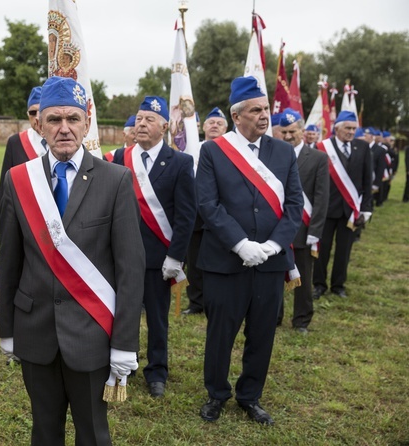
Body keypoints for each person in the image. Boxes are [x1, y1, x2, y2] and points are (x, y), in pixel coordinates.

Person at [0, 76, 145, 445]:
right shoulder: (18, 180)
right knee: (44, 430)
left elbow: (130, 267)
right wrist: (8, 329)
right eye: (54, 119)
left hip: (92, 332)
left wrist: (125, 342)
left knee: (93, 432)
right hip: (35, 331)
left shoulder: (115, 180)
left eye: (73, 119)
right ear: (40, 124)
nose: (64, 129)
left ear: (87, 121)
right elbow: (9, 262)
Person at [197, 76, 303, 425]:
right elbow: (208, 204)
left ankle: (250, 396)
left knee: (262, 334)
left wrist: (273, 245)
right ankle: (216, 394)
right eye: (256, 110)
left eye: (266, 109)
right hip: (226, 262)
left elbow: (293, 204)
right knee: (220, 334)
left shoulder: (283, 151)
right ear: (237, 115)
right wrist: (240, 244)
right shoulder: (213, 151)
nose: (264, 116)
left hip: (270, 265)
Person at [112, 96, 196, 398]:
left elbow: (187, 215)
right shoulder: (121, 157)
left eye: (149, 119)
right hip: (123, 254)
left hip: (159, 258)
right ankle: (126, 362)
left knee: (158, 318)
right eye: (138, 118)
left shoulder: (180, 162)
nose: (142, 124)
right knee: (125, 314)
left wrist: (176, 256)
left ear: (164, 127)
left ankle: (157, 370)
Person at [278, 109, 329, 332]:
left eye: (293, 131)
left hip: (304, 228)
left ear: (302, 131)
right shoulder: (274, 154)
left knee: (304, 277)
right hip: (277, 228)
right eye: (285, 132)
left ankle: (301, 320)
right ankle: (273, 316)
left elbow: (321, 197)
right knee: (274, 277)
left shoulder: (317, 158)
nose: (289, 136)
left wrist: (315, 230)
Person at [312, 111, 372, 299]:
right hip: (327, 209)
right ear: (337, 128)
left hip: (350, 211)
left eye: (354, 128)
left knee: (344, 250)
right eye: (348, 128)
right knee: (322, 249)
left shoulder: (362, 147)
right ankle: (319, 284)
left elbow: (367, 180)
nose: (351, 132)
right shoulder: (322, 147)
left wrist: (367, 208)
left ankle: (338, 285)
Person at [183, 106, 227, 316]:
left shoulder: (232, 150)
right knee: (194, 261)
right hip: (195, 215)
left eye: (219, 123)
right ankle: (196, 302)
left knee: (218, 261)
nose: (215, 125)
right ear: (204, 127)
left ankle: (217, 301)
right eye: (211, 122)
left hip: (222, 215)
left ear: (226, 128)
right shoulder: (193, 149)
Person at [0, 86, 45, 235]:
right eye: (32, 112)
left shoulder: (63, 142)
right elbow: (5, 187)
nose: (37, 117)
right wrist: (0, 226)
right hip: (23, 217)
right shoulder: (16, 142)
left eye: (41, 111)